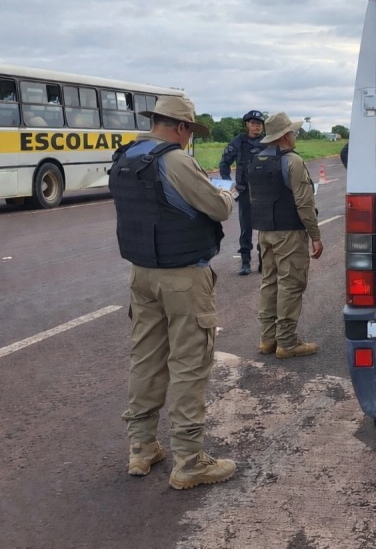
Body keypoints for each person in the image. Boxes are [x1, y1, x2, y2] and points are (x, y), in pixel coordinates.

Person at [108, 95, 237, 490]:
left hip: (141, 273)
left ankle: (142, 448)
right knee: (189, 363)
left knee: (145, 358)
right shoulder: (176, 159)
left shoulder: (127, 156)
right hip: (182, 276)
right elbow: (217, 208)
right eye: (189, 131)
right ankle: (189, 460)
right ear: (181, 128)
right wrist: (227, 193)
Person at [247, 111, 323, 358]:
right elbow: (304, 203)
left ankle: (267, 339)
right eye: (293, 131)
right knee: (291, 284)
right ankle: (287, 342)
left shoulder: (256, 160)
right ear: (285, 136)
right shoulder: (292, 161)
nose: (295, 135)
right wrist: (315, 235)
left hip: (265, 232)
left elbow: (253, 199)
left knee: (269, 282)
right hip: (289, 232)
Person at [219, 110, 266, 275]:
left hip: (263, 192)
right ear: (247, 124)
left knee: (264, 227)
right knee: (246, 227)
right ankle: (245, 262)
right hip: (244, 191)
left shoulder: (267, 142)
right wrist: (228, 184)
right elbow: (224, 163)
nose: (256, 126)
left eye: (259, 124)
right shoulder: (239, 141)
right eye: (253, 123)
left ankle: (263, 262)